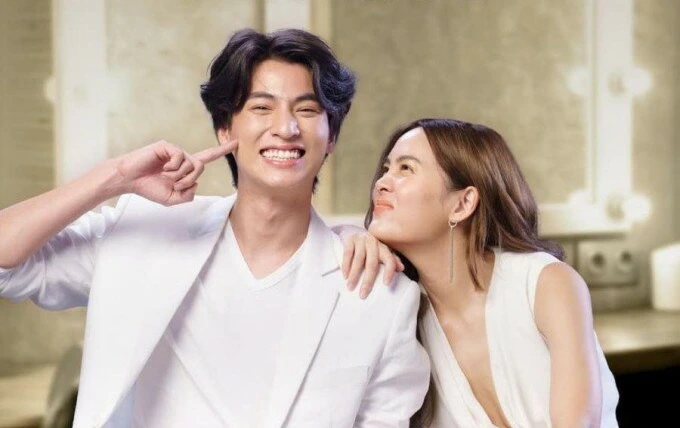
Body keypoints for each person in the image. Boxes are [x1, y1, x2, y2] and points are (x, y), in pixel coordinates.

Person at [0, 29, 430, 428]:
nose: (285, 128)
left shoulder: (382, 294)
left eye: (307, 109)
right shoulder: (141, 237)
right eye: (261, 107)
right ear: (225, 129)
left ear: (331, 135)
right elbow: (7, 263)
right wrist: (114, 177)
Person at [338, 118, 619, 427]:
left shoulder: (547, 284)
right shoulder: (403, 313)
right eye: (386, 169)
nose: (382, 182)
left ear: (463, 204)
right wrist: (347, 235)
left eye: (406, 168)